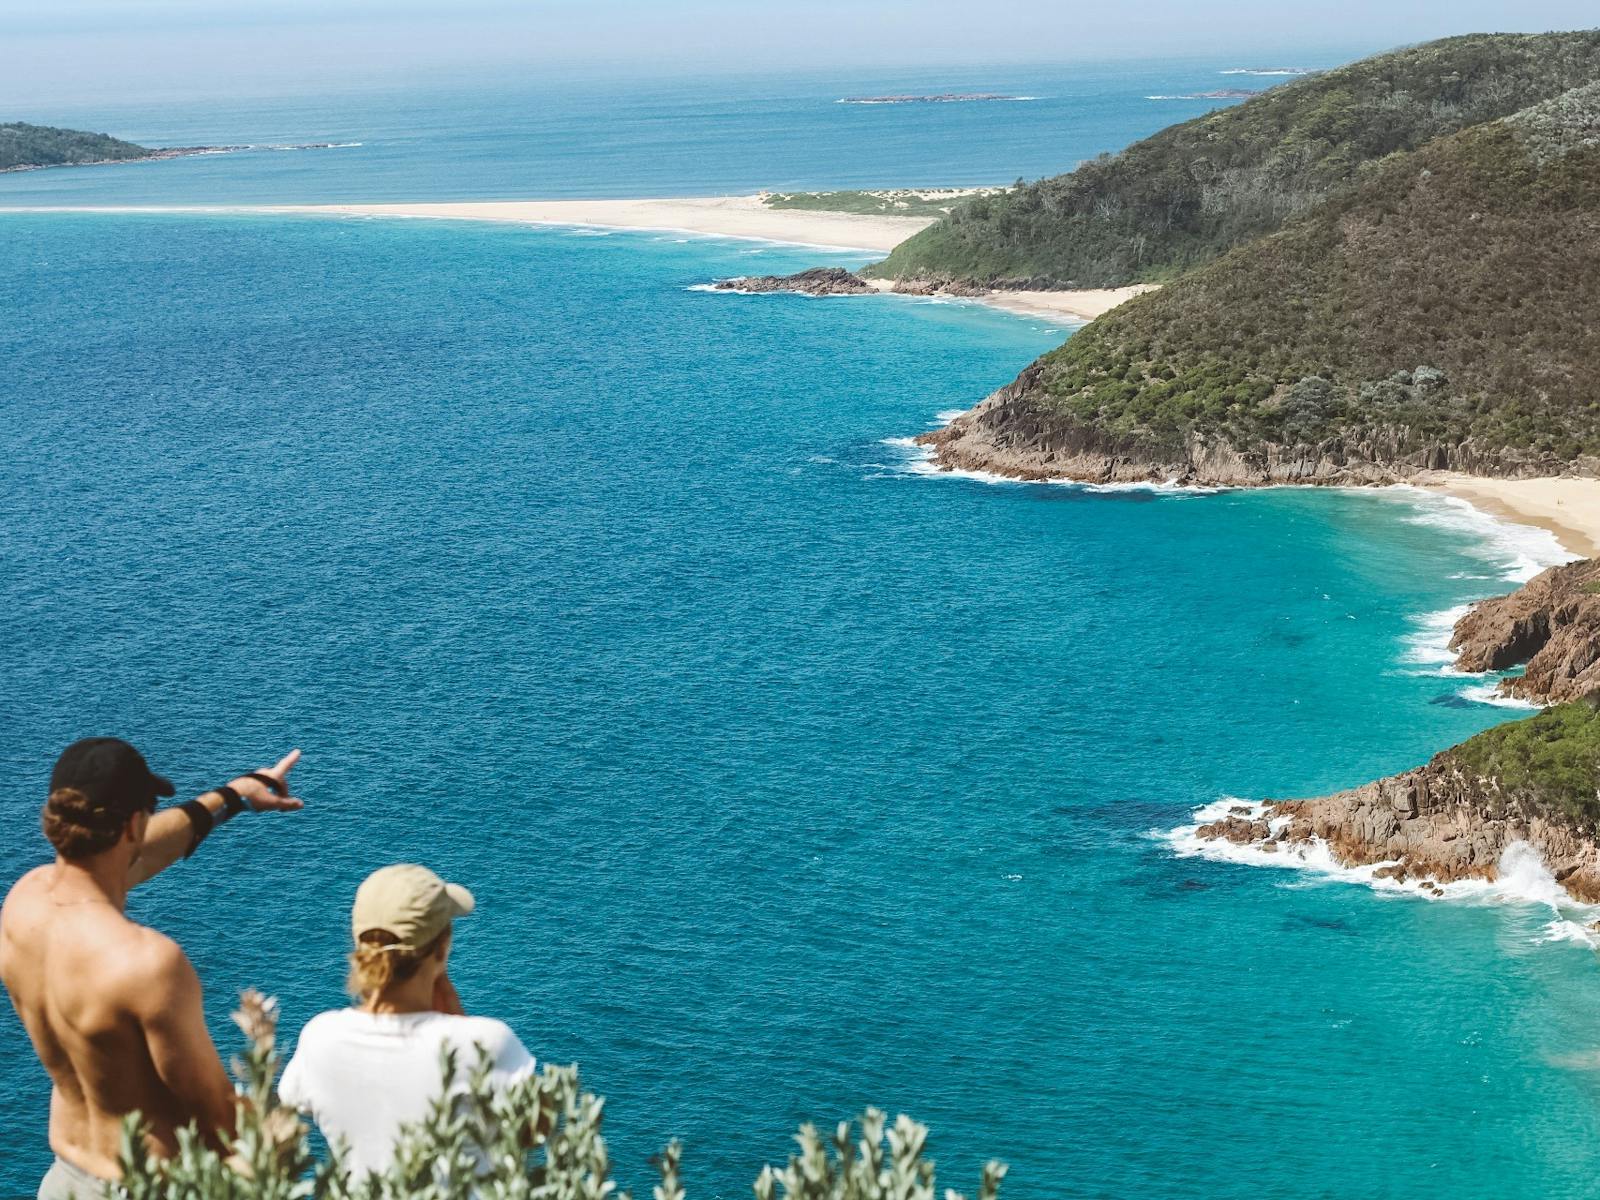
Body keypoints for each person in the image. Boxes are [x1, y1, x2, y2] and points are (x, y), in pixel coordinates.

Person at [0, 737, 305, 1200]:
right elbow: (218, 1117)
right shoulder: (146, 964)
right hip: (144, 1187)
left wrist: (235, 795)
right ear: (132, 826)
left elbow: (139, 855)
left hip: (64, 1179)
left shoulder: (22, 904)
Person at [278, 864, 534, 1178]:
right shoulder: (486, 1043)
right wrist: (459, 1023)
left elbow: (290, 1102)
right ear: (441, 949)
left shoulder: (321, 1038)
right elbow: (535, 1132)